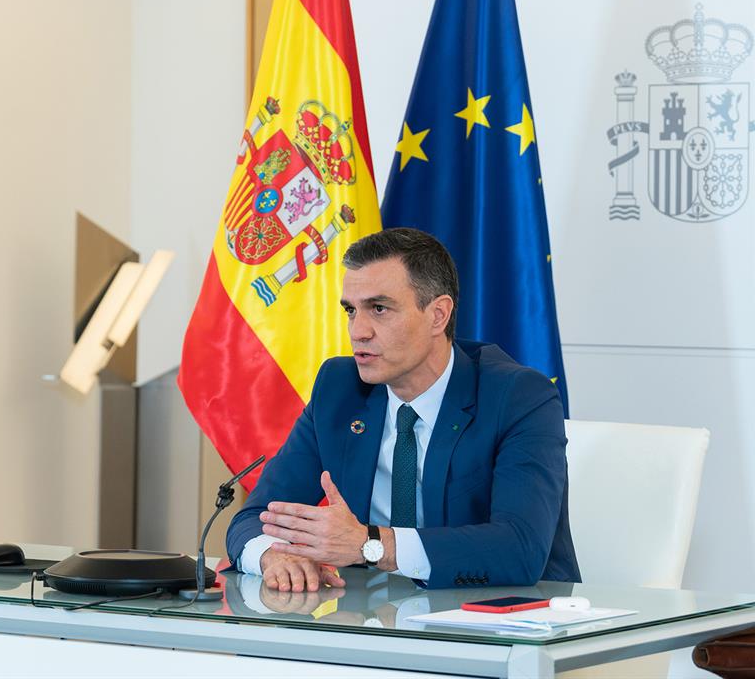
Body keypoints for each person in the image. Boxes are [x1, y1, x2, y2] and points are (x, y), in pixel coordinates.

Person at [226, 227, 579, 592]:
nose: (358, 331)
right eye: (351, 310)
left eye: (379, 309)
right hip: (368, 621)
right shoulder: (339, 388)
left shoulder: (517, 396)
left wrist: (370, 545)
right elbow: (255, 518)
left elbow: (519, 548)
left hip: (501, 621)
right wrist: (274, 555)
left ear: (438, 315)